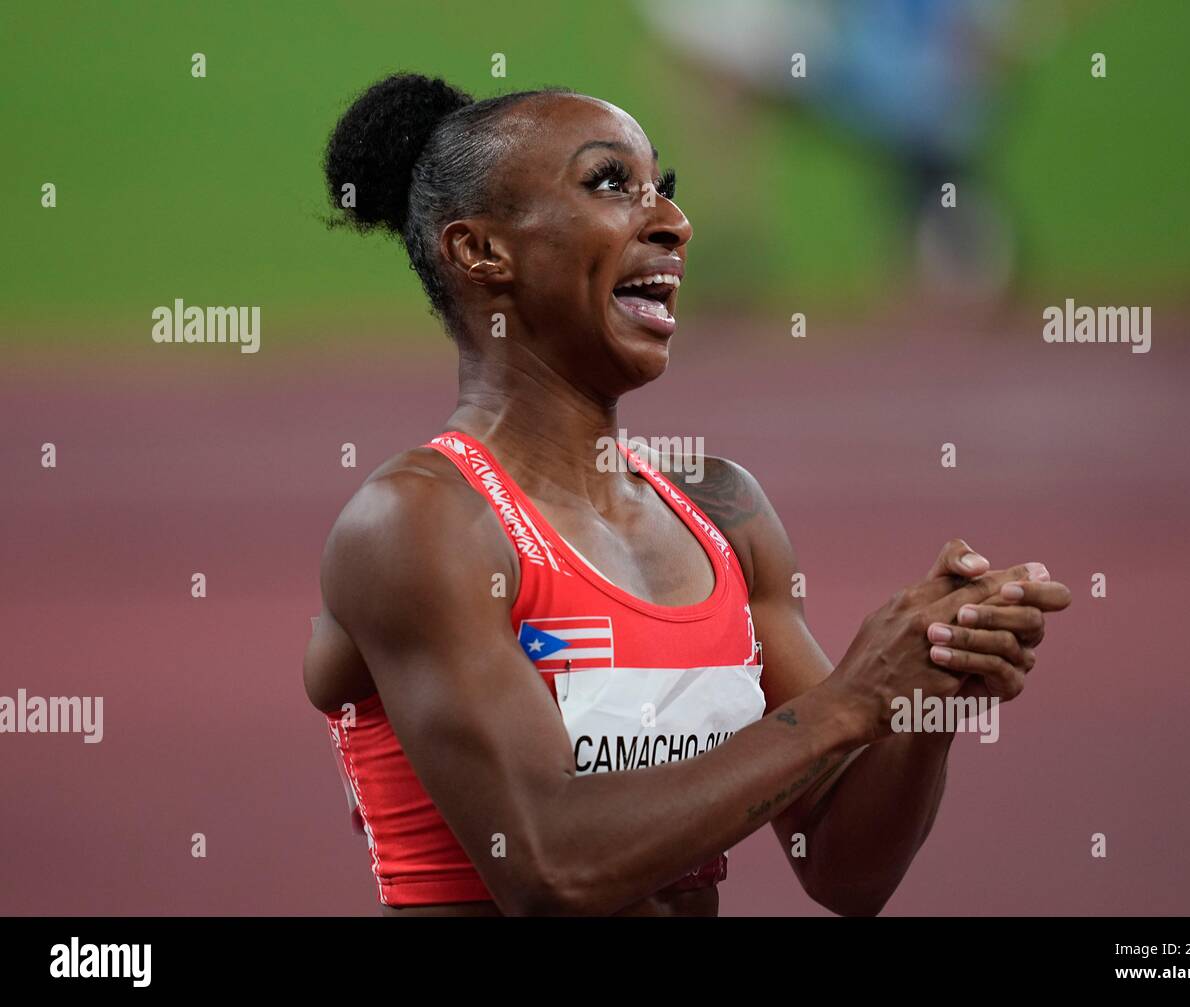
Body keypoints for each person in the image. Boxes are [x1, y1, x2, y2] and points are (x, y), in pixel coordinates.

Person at [303, 73, 1071, 917]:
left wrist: (926, 684)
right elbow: (552, 868)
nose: (672, 222)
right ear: (481, 252)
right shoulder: (425, 520)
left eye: (662, 190)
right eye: (610, 184)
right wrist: (849, 701)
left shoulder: (721, 512)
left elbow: (847, 868)